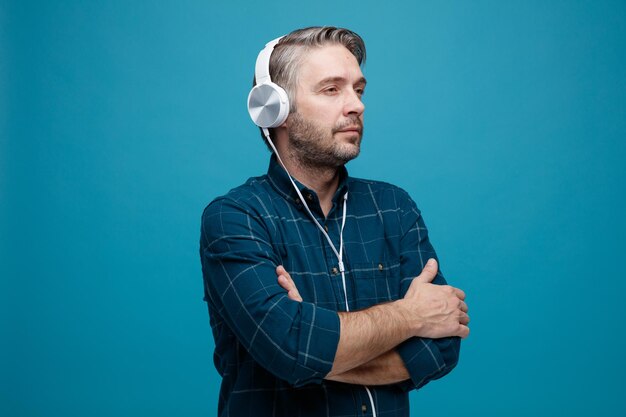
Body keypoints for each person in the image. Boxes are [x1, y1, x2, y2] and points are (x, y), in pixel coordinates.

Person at [199, 26, 470, 417]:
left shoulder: (393, 207)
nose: (356, 105)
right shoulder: (236, 218)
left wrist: (313, 346)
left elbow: (441, 349)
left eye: (358, 89)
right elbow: (290, 349)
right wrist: (411, 316)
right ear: (274, 109)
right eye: (331, 89)